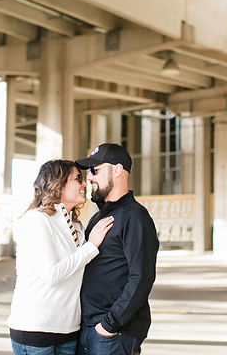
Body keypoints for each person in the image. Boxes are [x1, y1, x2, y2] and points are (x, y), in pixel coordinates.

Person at [8, 159, 115, 355]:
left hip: (68, 331)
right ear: (59, 184)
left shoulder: (77, 227)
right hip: (35, 330)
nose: (85, 183)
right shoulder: (37, 220)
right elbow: (52, 274)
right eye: (78, 179)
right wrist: (91, 246)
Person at [74, 143, 159, 355]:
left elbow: (141, 277)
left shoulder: (135, 217)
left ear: (117, 170)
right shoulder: (98, 217)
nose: (89, 177)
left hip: (113, 335)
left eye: (95, 170)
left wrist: (109, 326)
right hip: (86, 329)